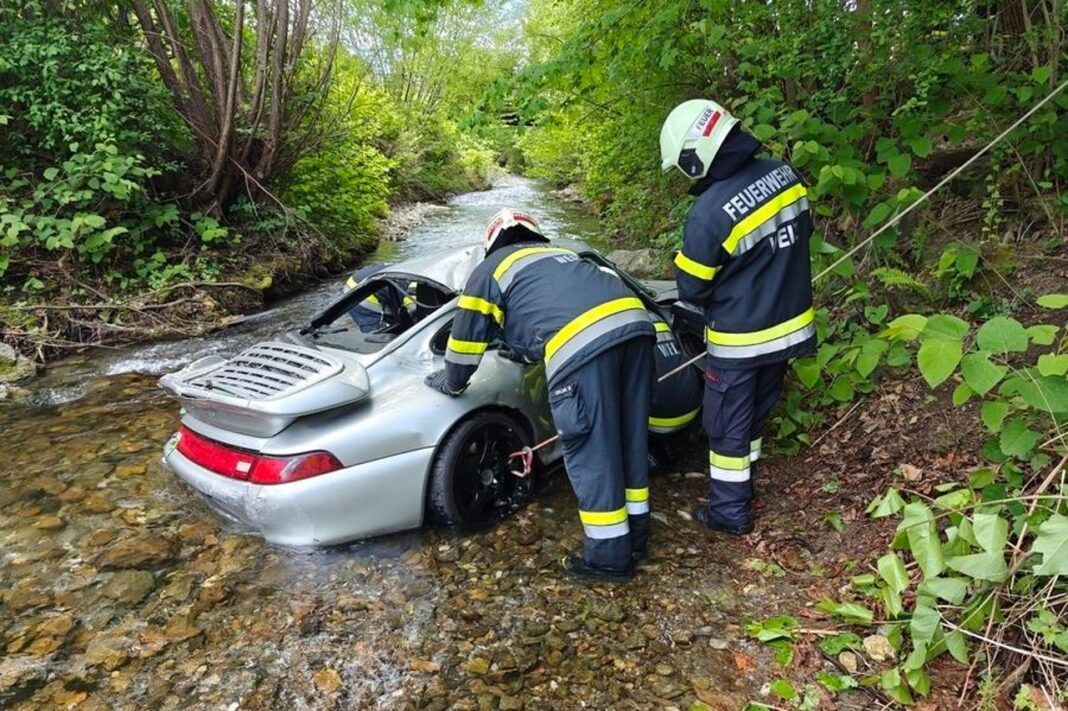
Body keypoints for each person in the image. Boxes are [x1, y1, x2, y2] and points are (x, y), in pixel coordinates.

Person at [424, 208, 656, 582]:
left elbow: (465, 342)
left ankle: (609, 561)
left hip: (585, 346)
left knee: (593, 452)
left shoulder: (491, 269)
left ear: (493, 243)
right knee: (629, 441)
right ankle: (637, 539)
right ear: (533, 233)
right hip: (637, 329)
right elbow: (546, 312)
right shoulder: (561, 254)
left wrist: (450, 382)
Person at [659, 99, 816, 536]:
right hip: (789, 329)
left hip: (742, 340)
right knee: (755, 416)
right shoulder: (785, 175)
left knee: (727, 428)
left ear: (697, 154)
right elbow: (801, 235)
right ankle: (745, 486)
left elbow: (691, 288)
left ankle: (729, 514)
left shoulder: (710, 213)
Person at [344, 264, 415, 333]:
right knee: (380, 336)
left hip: (361, 278)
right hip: (361, 293)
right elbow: (413, 311)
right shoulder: (415, 291)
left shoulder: (418, 271)